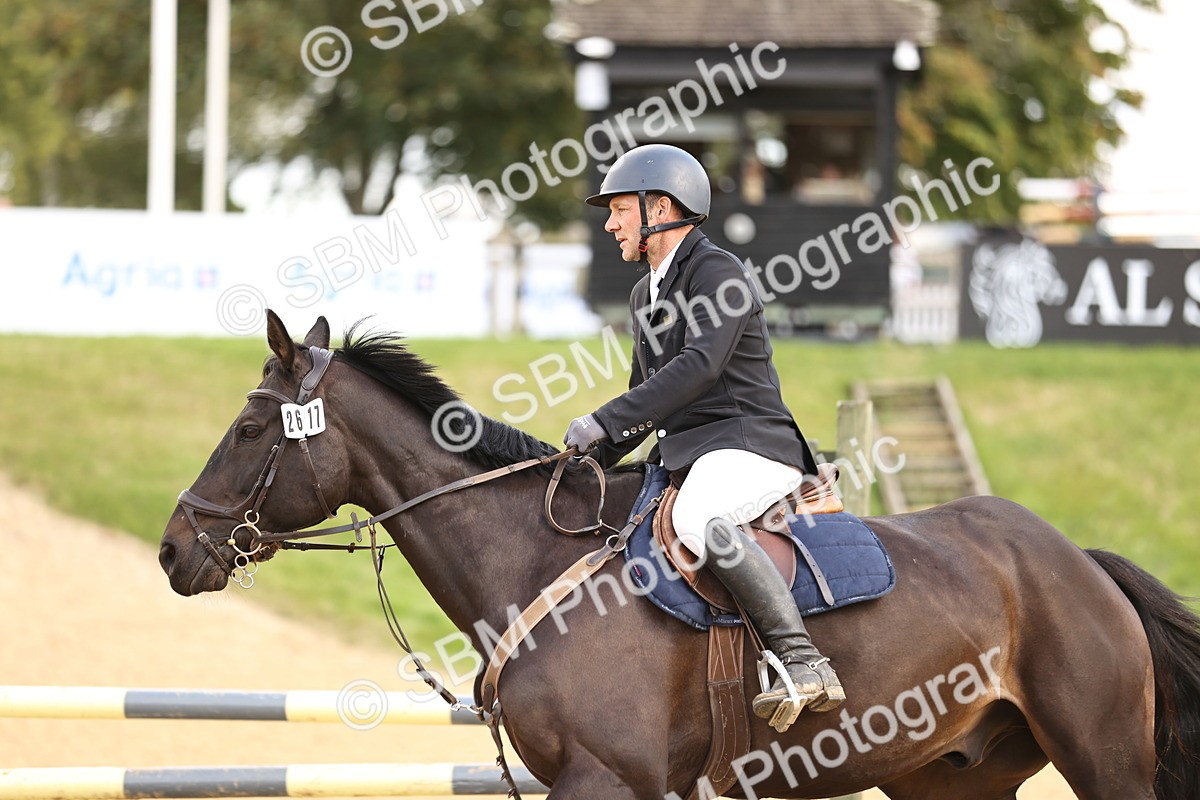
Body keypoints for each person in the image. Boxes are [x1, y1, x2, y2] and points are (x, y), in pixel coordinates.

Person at [563, 143, 845, 729]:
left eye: (618, 210)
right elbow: (647, 394)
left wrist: (603, 418)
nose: (610, 223)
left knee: (695, 518)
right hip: (693, 454)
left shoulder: (719, 272)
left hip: (751, 444)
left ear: (659, 207)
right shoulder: (646, 294)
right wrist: (586, 457)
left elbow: (698, 369)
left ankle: (804, 660)